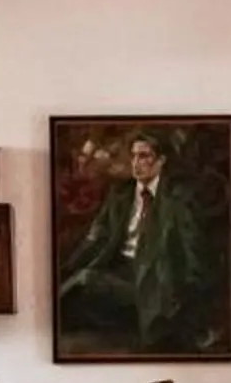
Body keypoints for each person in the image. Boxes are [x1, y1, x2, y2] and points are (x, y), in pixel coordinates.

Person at [58, 132, 219, 354]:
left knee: (85, 280)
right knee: (77, 289)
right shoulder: (120, 194)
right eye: (133, 156)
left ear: (160, 161)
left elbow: (193, 257)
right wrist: (67, 269)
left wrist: (193, 306)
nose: (136, 163)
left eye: (144, 156)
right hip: (115, 270)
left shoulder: (176, 201)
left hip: (152, 279)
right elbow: (95, 239)